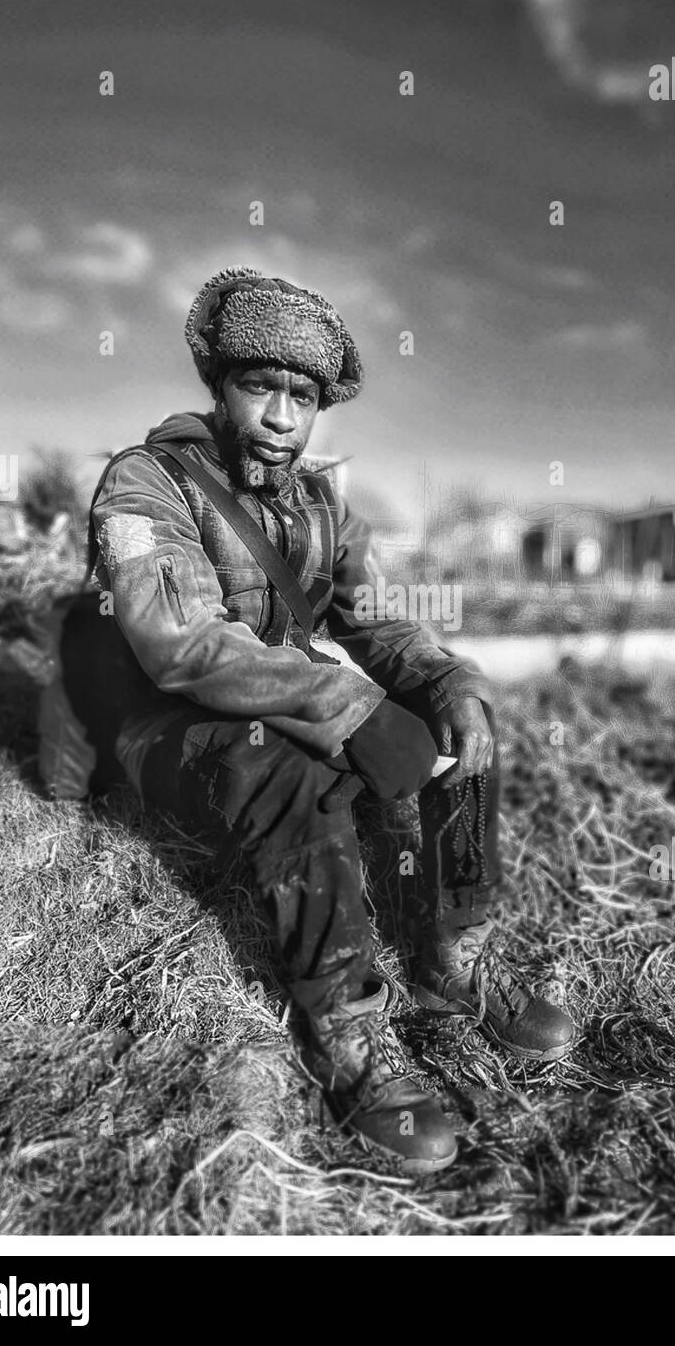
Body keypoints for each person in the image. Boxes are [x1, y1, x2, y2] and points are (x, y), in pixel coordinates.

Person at [90, 265, 573, 1174]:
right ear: (218, 385)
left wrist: (443, 680)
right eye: (258, 386)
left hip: (278, 697)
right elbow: (180, 646)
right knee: (294, 770)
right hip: (169, 728)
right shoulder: (147, 482)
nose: (279, 416)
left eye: (301, 396)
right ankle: (347, 1032)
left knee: (465, 726)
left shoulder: (320, 502)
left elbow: (380, 619)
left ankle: (453, 957)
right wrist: (347, 707)